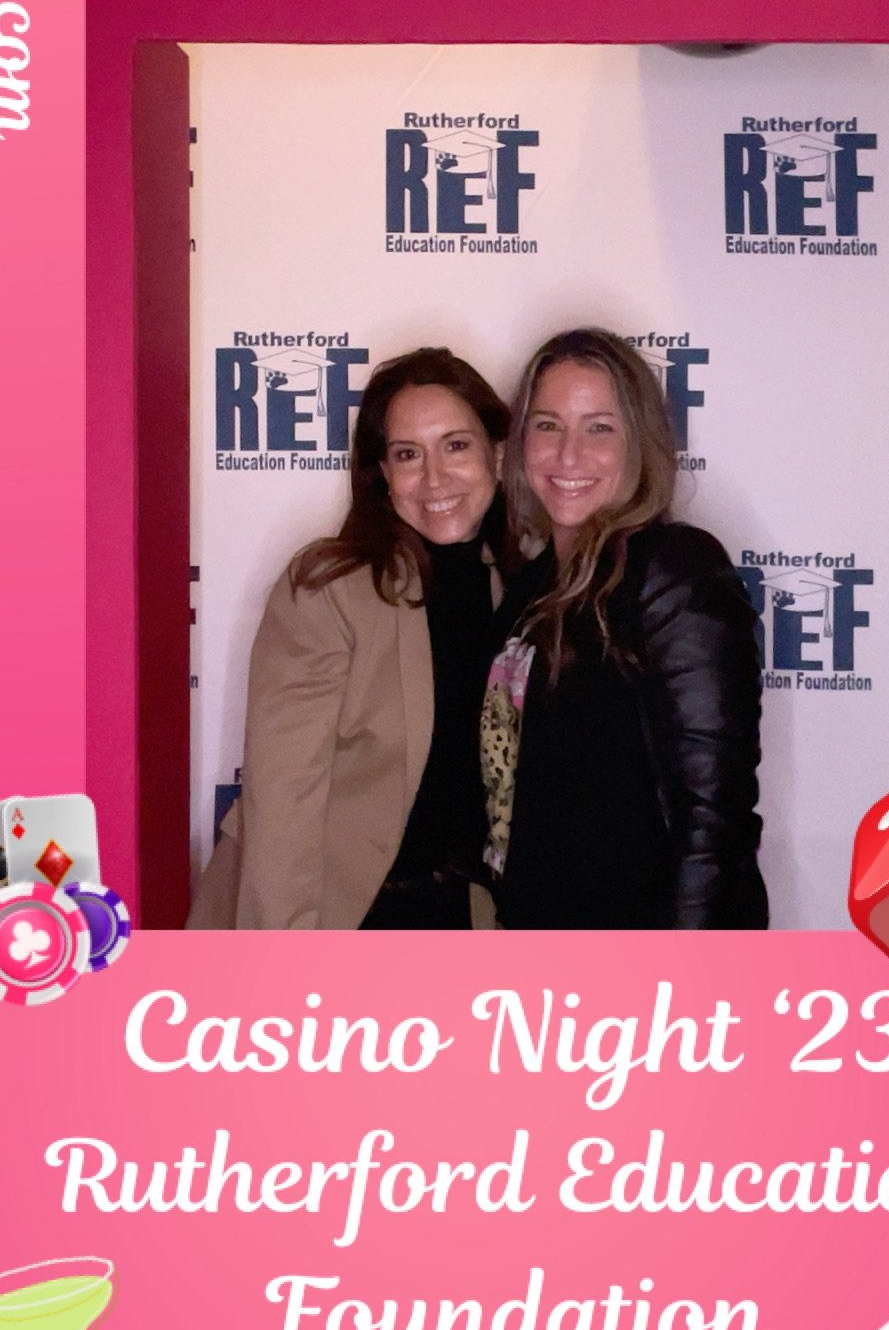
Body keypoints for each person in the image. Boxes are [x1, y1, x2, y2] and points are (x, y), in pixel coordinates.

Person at [189, 351, 510, 931]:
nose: (434, 477)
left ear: (498, 453)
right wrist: (286, 956)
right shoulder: (330, 588)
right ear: (382, 472)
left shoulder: (523, 585)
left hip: (466, 920)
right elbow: (283, 797)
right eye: (408, 454)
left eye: (456, 446)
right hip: (339, 915)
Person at [481, 330, 767, 930]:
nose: (568, 456)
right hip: (534, 945)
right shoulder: (532, 588)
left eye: (599, 428)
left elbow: (714, 811)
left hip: (646, 957)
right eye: (548, 425)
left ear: (639, 443)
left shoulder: (674, 570)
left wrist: (685, 967)